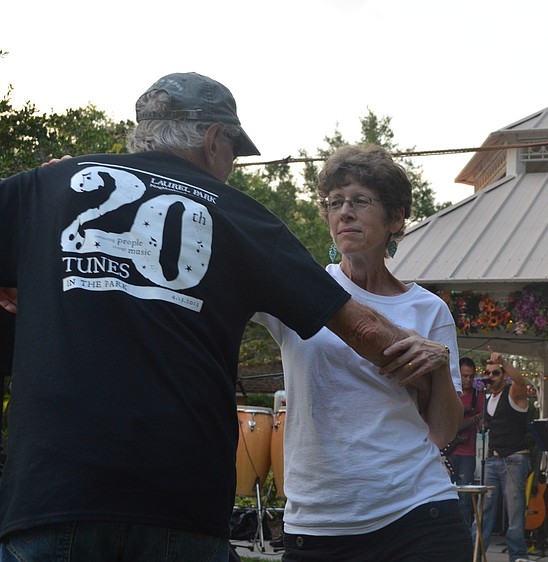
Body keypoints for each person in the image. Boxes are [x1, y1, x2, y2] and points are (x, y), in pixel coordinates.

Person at [0, 73, 444, 561]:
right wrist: (423, 363)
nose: (230, 168)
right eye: (233, 153)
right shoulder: (237, 214)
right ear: (213, 140)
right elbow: (361, 328)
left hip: (47, 499)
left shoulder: (48, 186)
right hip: (180, 510)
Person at [253, 144, 471, 562]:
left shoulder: (428, 309)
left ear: (395, 219)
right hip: (318, 521)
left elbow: (442, 432)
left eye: (360, 201)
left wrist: (441, 365)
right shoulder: (299, 289)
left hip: (418, 511)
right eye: (335, 202)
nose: (344, 213)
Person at [476, 349, 531, 562]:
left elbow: (521, 381)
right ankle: (475, 553)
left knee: (514, 510)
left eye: (495, 373)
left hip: (514, 458)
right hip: (493, 459)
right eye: (487, 373)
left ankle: (517, 555)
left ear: (504, 375)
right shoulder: (487, 399)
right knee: (484, 508)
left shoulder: (513, 393)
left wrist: (505, 362)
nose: (490, 376)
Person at [447, 356, 486, 527]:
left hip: (467, 453)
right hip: (448, 451)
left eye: (471, 376)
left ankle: (465, 531)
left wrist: (482, 421)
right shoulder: (451, 393)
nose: (468, 380)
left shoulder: (479, 396)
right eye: (464, 376)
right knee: (447, 494)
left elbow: (483, 422)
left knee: (464, 496)